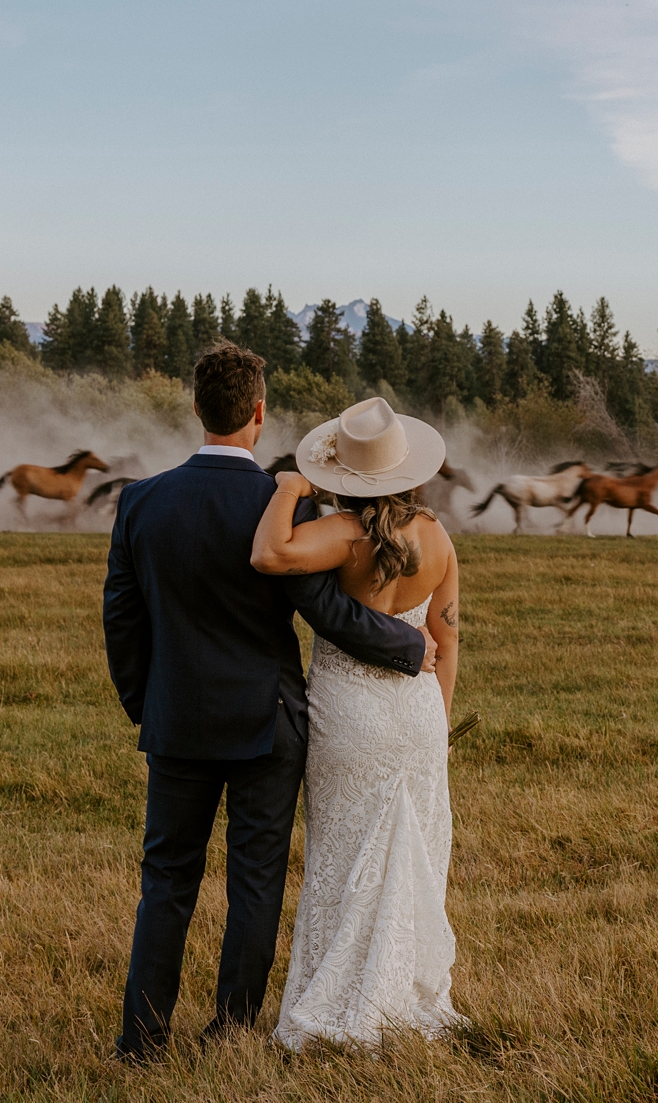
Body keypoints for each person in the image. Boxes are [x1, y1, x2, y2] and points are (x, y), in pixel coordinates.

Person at [102, 345, 435, 1064]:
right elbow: (328, 614)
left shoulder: (141, 501)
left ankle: (142, 1041)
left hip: (177, 722)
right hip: (267, 723)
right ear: (258, 414)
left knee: (165, 883)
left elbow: (121, 622)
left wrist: (146, 705)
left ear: (196, 408)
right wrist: (410, 648)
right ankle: (232, 1030)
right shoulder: (281, 507)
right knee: (255, 884)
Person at [248, 395, 464, 1049]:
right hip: (419, 713)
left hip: (350, 717)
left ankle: (339, 998)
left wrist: (288, 487)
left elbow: (267, 553)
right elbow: (446, 640)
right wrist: (439, 728)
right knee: (415, 854)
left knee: (345, 858)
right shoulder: (438, 537)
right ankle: (405, 997)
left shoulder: (343, 536)